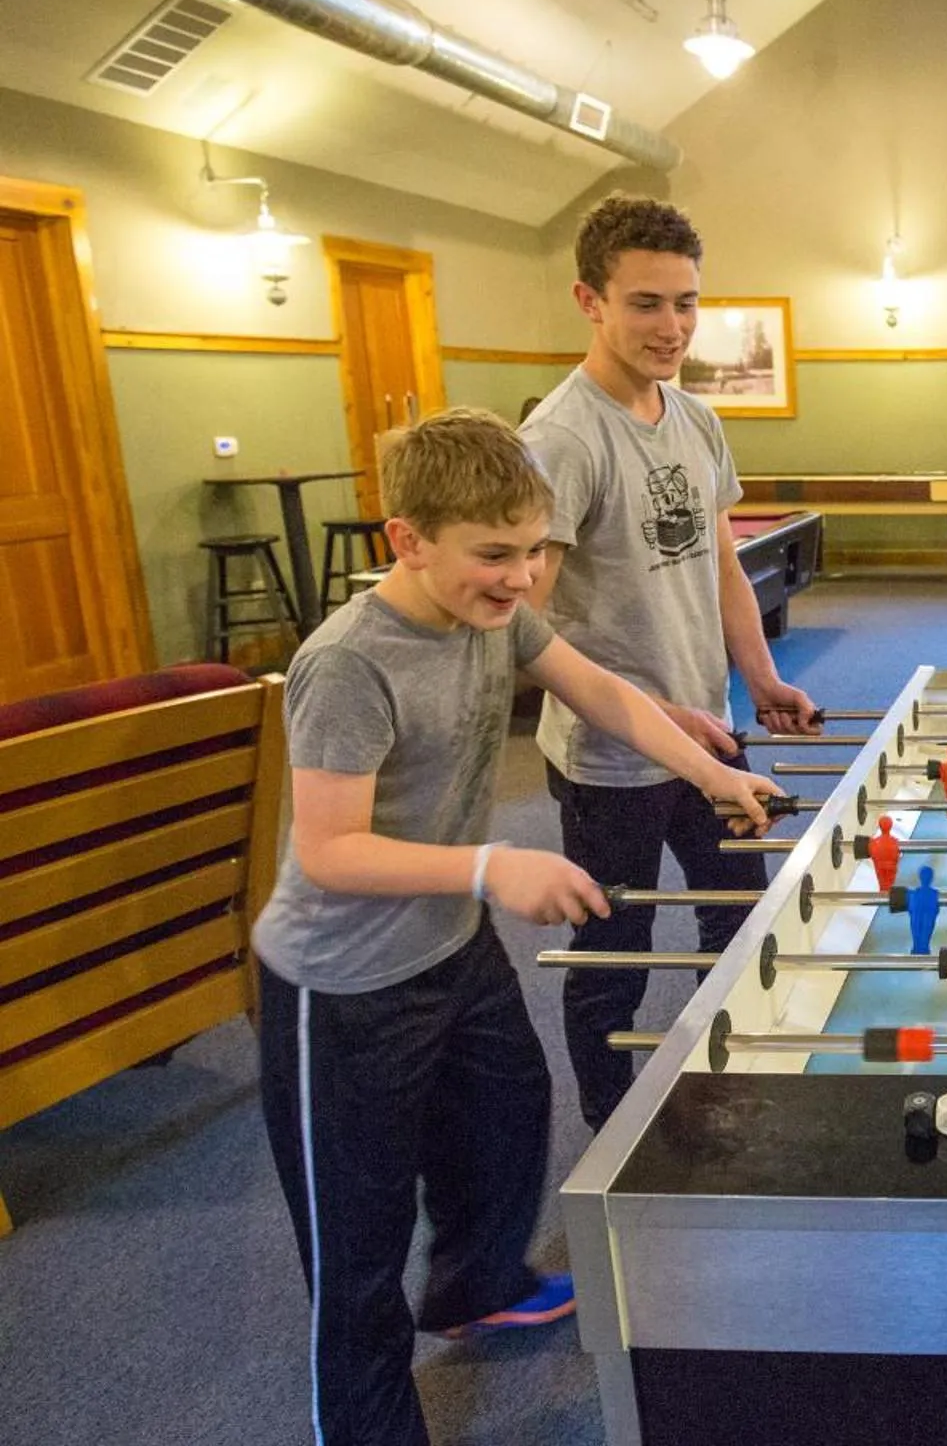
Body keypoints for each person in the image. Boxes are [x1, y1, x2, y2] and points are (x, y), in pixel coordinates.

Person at [253, 409, 779, 1446]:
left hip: (452, 945)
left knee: (503, 1121)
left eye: (535, 549)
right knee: (357, 1247)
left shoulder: (499, 614)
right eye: (495, 555)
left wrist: (714, 771)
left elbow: (600, 691)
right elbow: (329, 851)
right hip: (343, 982)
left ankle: (475, 1285)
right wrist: (497, 865)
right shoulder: (349, 663)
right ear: (405, 539)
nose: (523, 576)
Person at [521, 193, 820, 1131]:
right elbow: (524, 627)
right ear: (590, 300)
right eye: (646, 303)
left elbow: (723, 561)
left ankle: (732, 1089)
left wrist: (760, 677)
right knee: (618, 956)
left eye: (687, 303)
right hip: (610, 758)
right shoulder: (561, 440)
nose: (673, 327)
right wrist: (652, 712)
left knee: (744, 919)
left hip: (711, 732)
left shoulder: (695, 417)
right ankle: (617, 1141)